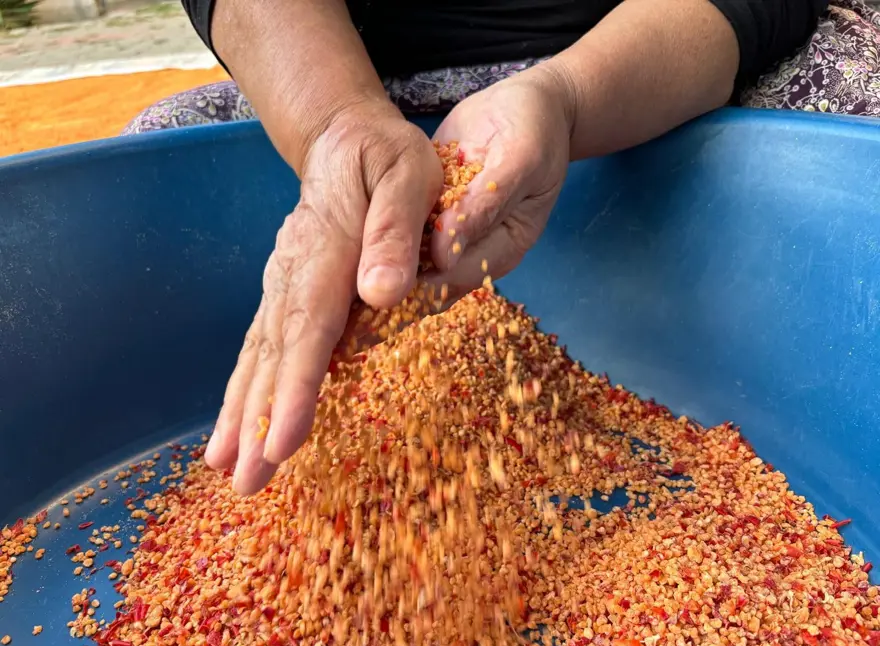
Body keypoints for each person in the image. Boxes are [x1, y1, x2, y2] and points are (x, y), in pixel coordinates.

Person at [129, 0, 849, 496]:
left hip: (644, 57)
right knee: (155, 141)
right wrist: (333, 123)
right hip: (349, 73)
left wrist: (566, 97)